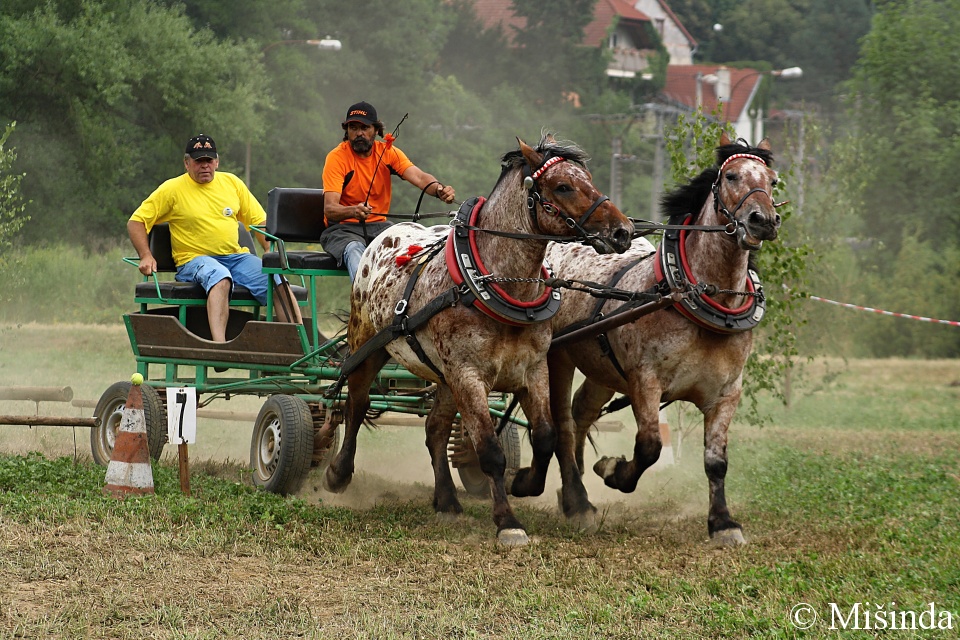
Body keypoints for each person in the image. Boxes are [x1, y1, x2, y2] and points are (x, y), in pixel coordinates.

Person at [128, 134, 302, 342]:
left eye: (209, 160)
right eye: (198, 161)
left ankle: (299, 346)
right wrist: (146, 255)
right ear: (187, 163)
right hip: (193, 260)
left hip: (236, 258)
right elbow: (136, 221)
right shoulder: (171, 189)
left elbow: (259, 222)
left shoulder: (232, 183)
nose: (204, 166)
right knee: (220, 276)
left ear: (217, 162)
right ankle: (219, 348)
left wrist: (268, 251)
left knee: (277, 279)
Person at [321, 101, 457, 279]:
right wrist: (353, 211)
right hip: (342, 230)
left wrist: (439, 190)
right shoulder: (337, 158)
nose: (359, 133)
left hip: (380, 228)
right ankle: (365, 303)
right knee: (355, 250)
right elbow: (330, 209)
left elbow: (420, 177)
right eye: (353, 128)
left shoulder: (388, 152)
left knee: (410, 247)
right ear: (347, 131)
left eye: (365, 127)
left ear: (376, 130)